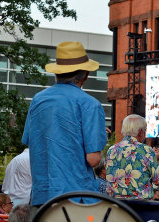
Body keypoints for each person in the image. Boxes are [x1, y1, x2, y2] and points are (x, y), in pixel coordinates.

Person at [22, 42, 107, 208]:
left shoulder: (38, 100)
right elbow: (93, 159)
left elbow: (32, 142)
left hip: (41, 197)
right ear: (86, 75)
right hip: (76, 197)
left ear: (57, 74)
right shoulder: (90, 104)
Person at [106, 114, 159, 199]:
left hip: (116, 205)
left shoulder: (111, 150)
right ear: (140, 132)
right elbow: (158, 181)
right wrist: (156, 159)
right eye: (145, 130)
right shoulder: (146, 150)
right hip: (140, 207)